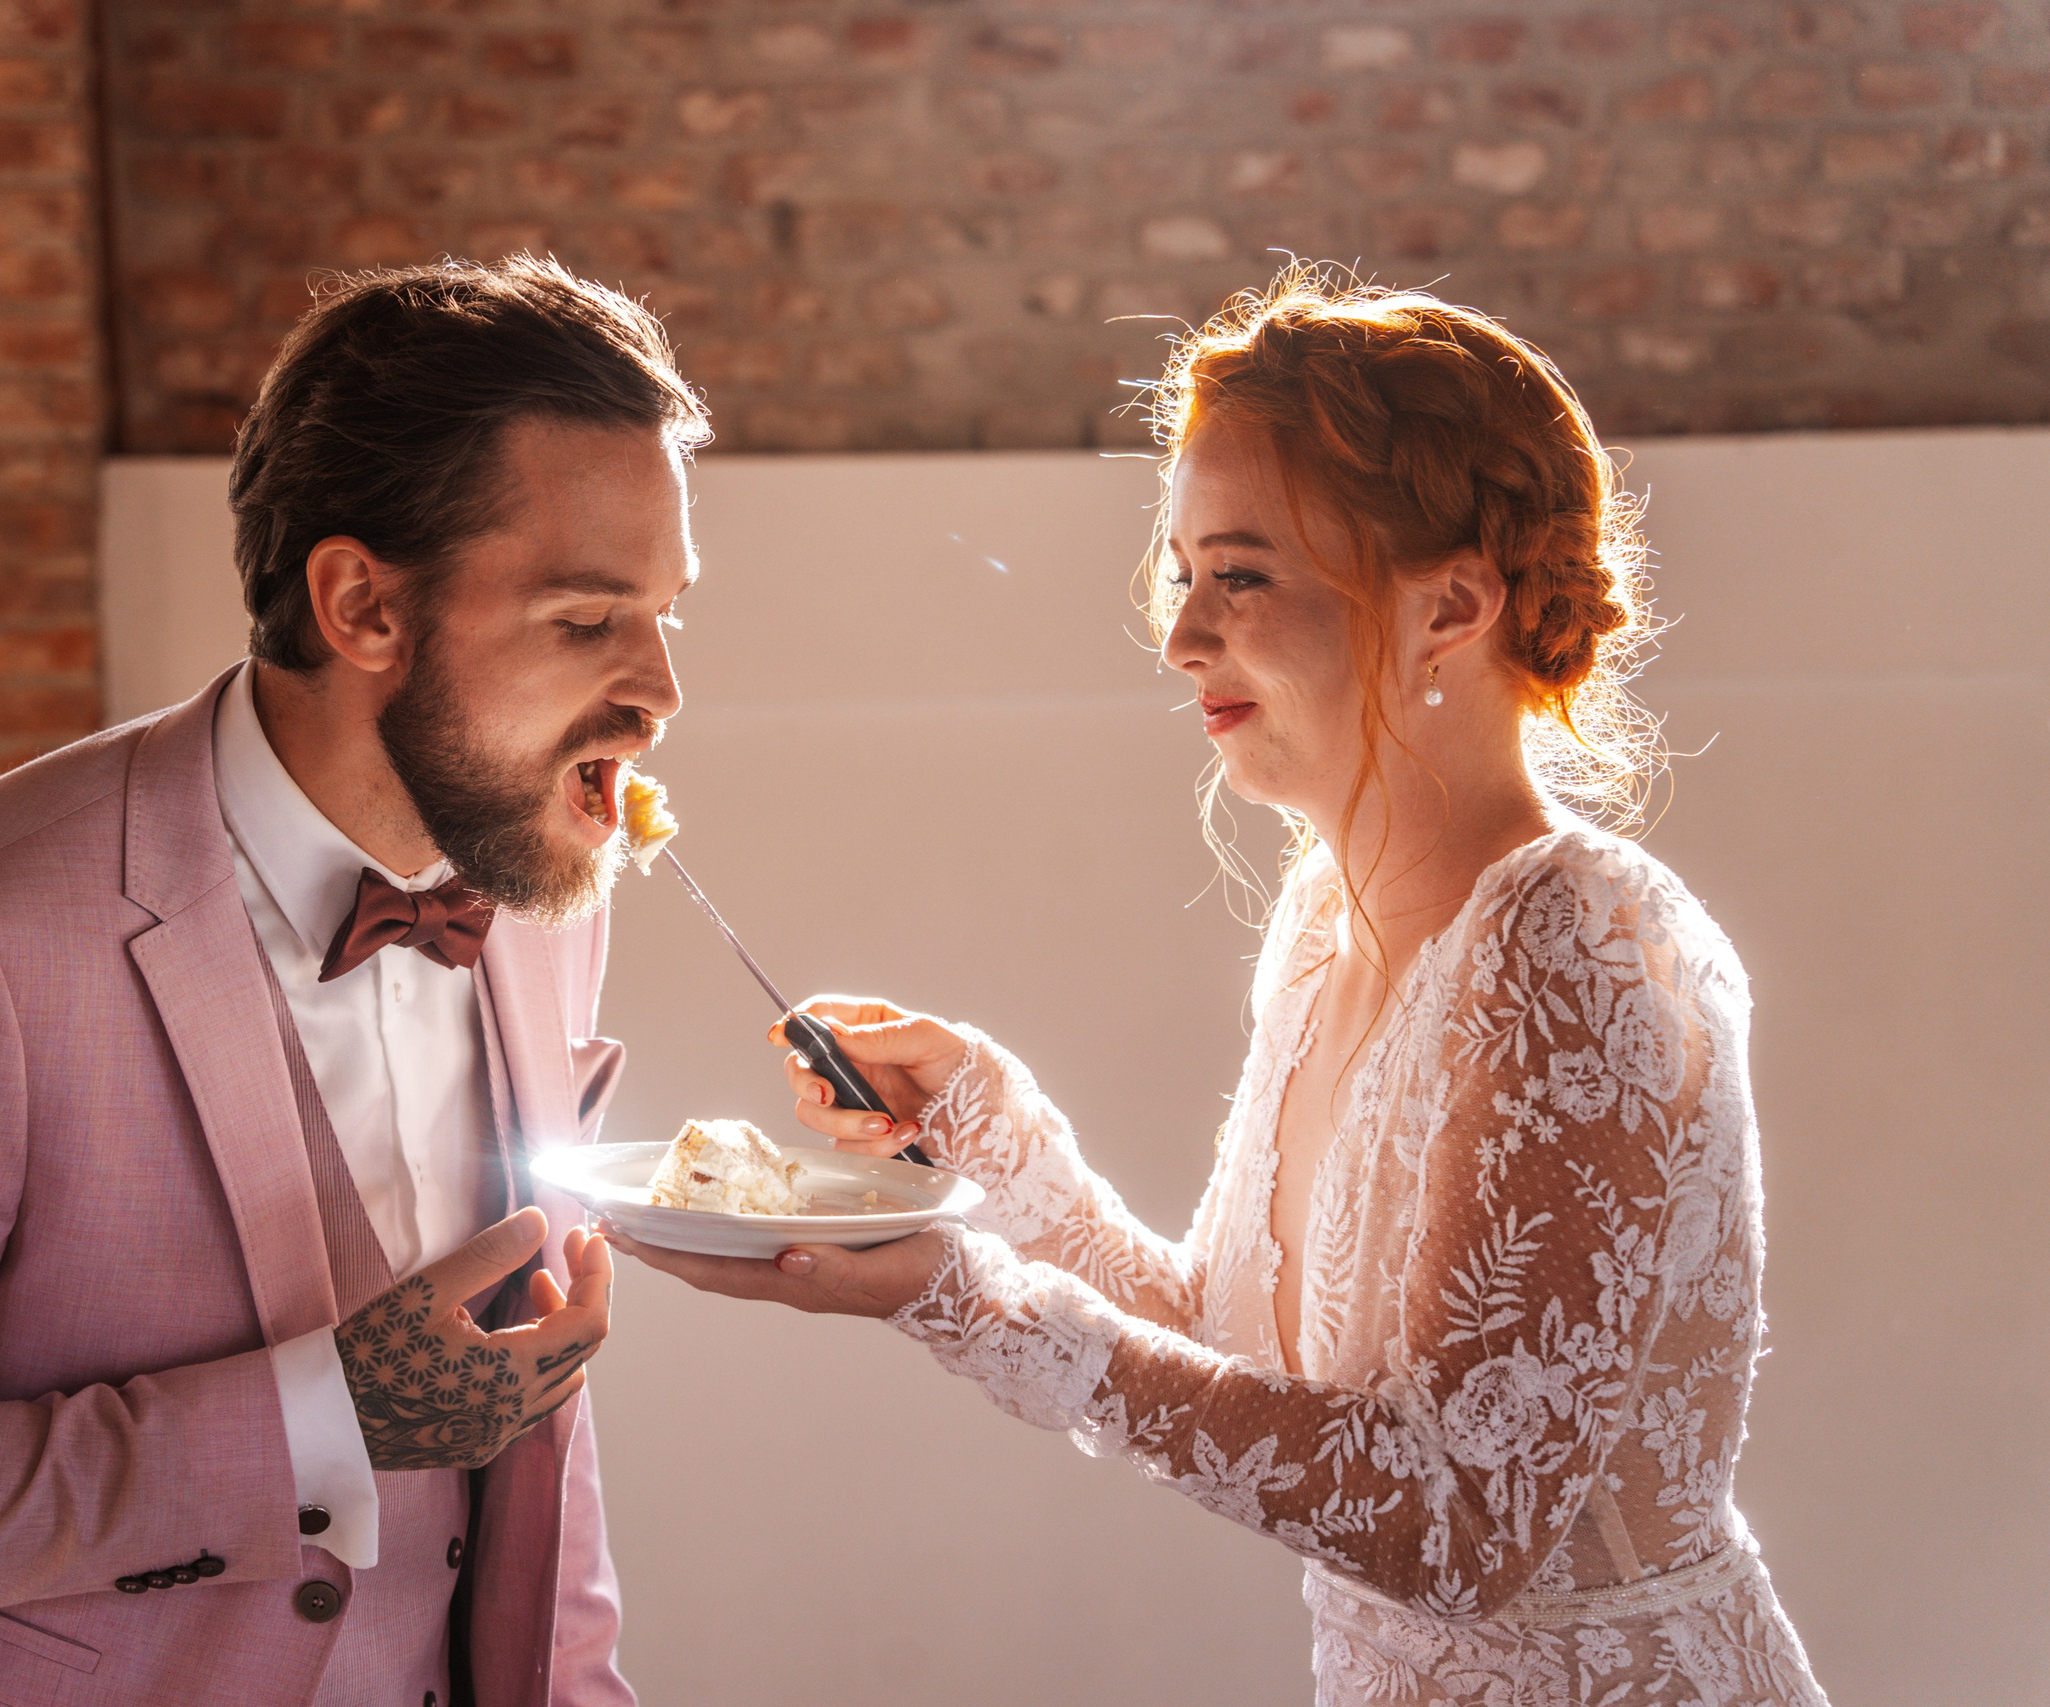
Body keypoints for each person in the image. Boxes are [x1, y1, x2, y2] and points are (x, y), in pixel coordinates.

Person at [614, 270, 1829, 1705]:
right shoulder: (1327, 925)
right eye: (1183, 574)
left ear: (1452, 603)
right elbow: (1237, 1362)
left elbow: (1462, 1522)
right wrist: (1001, 1140)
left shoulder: (1577, 942)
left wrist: (964, 1300)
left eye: (1240, 576)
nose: (1182, 638)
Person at [0, 256, 707, 1706]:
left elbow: (538, 1447)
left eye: (669, 613)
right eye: (588, 620)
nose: (662, 687)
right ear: (360, 606)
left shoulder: (532, 885)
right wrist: (315, 1422)